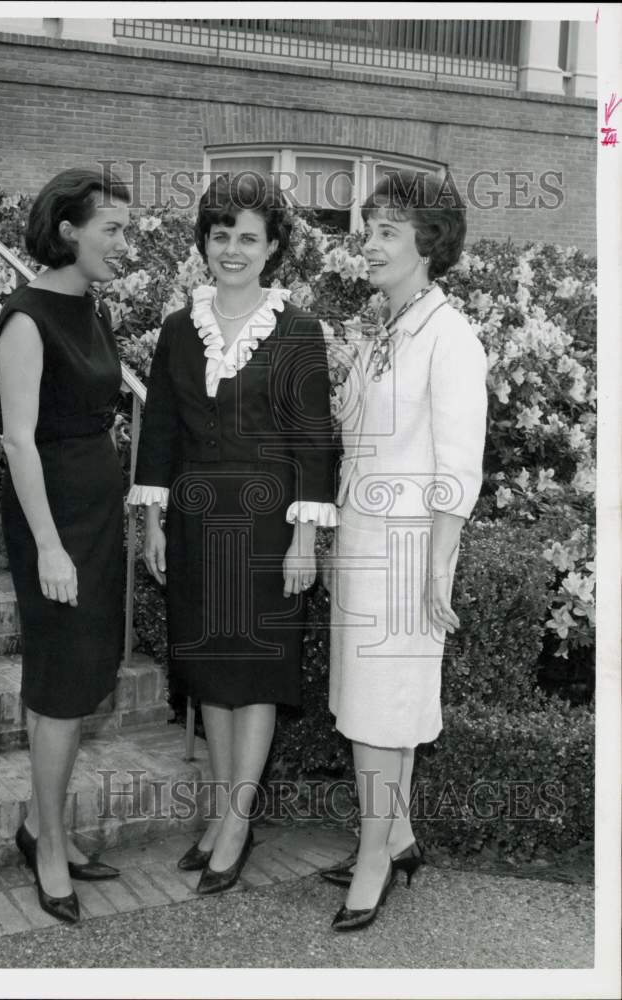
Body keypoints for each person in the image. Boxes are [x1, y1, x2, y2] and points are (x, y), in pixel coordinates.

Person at [127, 173, 337, 895]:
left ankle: (239, 825)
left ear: (273, 246)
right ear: (205, 244)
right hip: (194, 525)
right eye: (221, 236)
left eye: (248, 236)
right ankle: (220, 812)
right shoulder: (179, 329)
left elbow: (315, 443)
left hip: (268, 530)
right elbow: (157, 430)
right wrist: (153, 522)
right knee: (210, 671)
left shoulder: (301, 332)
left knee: (256, 677)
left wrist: (306, 539)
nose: (233, 249)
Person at [322, 170, 488, 931]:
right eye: (371, 228)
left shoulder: (451, 338)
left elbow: (458, 468)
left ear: (428, 245)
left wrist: (434, 570)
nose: (372, 244)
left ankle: (374, 857)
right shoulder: (383, 325)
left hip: (409, 551)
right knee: (370, 704)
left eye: (388, 231)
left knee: (381, 715)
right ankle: (399, 835)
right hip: (363, 538)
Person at [0, 167, 131, 924]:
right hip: (52, 520)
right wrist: (48, 546)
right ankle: (46, 851)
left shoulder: (92, 309)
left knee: (84, 680)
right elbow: (19, 440)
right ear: (70, 229)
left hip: (97, 514)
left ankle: (47, 825)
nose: (123, 242)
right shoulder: (25, 318)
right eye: (111, 227)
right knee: (58, 683)